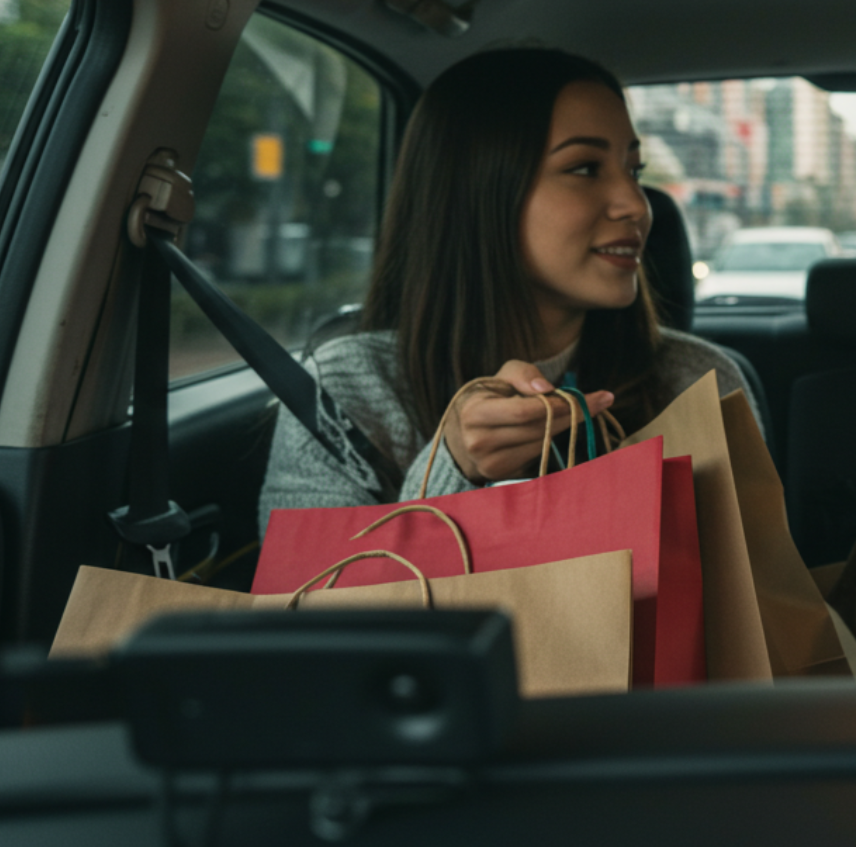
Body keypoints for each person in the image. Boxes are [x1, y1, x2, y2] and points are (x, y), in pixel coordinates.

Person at [259, 48, 761, 531]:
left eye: (635, 170)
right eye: (585, 168)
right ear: (479, 191)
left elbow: (753, 595)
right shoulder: (348, 389)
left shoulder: (698, 381)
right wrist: (453, 468)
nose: (635, 203)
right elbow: (310, 604)